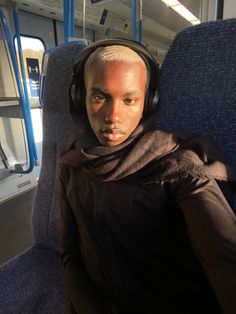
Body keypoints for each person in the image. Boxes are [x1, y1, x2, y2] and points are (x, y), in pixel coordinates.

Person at [59, 38, 236, 314]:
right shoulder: (72, 165)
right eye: (99, 97)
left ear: (148, 102)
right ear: (80, 98)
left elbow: (224, 259)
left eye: (129, 100)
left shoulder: (179, 167)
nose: (113, 115)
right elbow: (70, 255)